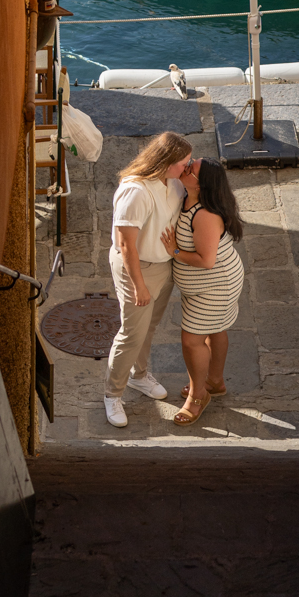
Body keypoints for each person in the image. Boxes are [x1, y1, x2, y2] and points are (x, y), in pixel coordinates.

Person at [104, 131, 193, 429]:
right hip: (137, 268)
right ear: (166, 162)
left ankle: (138, 376)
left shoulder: (174, 181)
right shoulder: (136, 192)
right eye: (183, 162)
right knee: (131, 334)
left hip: (163, 265)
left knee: (149, 327)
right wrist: (138, 285)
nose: (187, 166)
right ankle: (112, 394)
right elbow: (126, 245)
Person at [162, 156, 245, 426]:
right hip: (205, 286)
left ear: (201, 185)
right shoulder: (188, 196)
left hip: (216, 287)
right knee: (215, 330)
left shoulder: (206, 215)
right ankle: (215, 382)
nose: (185, 168)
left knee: (191, 341)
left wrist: (174, 250)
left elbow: (206, 261)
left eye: (191, 169)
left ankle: (198, 397)